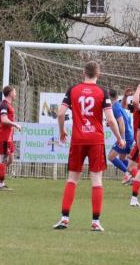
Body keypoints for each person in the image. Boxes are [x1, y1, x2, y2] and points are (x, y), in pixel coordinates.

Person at [53, 61, 124, 232]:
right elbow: (111, 119)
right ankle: (95, 222)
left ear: (83, 72)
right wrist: (119, 138)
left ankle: (64, 218)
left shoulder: (73, 90)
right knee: (97, 180)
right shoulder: (102, 92)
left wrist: (62, 131)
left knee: (72, 179)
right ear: (98, 74)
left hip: (78, 139)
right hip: (95, 140)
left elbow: (61, 113)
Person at [0, 85, 22, 190]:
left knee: (10, 160)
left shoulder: (8, 105)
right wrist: (15, 124)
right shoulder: (4, 105)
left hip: (9, 137)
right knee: (4, 160)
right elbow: (4, 120)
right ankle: (1, 184)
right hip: (4, 136)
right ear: (10, 93)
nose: (15, 94)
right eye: (14, 92)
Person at [108, 88, 134, 183]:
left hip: (126, 137)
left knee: (111, 156)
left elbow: (122, 123)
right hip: (130, 136)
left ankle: (128, 175)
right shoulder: (118, 106)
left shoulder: (115, 107)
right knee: (122, 159)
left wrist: (122, 139)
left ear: (109, 97)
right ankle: (137, 176)